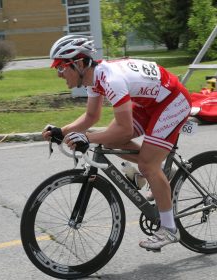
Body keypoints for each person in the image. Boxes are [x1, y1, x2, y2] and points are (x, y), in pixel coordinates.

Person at [42, 34, 192, 252]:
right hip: (149, 103)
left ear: (79, 63)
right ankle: (158, 173)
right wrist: (61, 131)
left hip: (172, 101)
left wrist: (87, 138)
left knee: (146, 164)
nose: (59, 74)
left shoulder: (111, 80)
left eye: (61, 68)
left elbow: (125, 130)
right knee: (112, 142)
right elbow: (91, 117)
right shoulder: (93, 79)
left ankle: (170, 229)